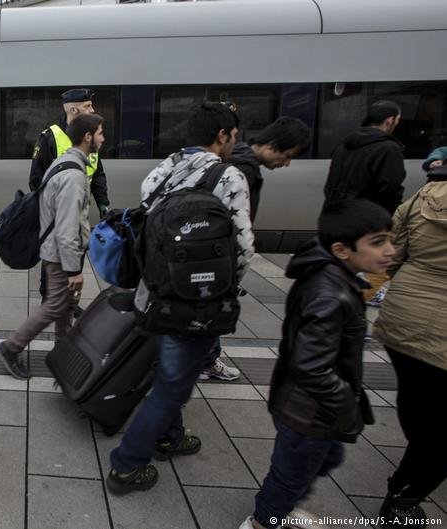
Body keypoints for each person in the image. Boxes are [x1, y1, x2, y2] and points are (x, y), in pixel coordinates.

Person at [106, 102, 253, 494]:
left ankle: (170, 436)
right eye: (234, 136)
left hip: (152, 294)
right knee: (173, 384)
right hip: (196, 304)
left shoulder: (162, 170)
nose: (234, 143)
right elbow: (243, 246)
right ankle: (127, 465)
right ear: (221, 135)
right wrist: (222, 294)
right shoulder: (229, 176)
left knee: (169, 370)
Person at [239, 200, 395, 529]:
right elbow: (312, 366)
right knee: (293, 472)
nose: (390, 250)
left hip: (306, 405)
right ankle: (264, 521)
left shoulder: (332, 277)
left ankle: (283, 506)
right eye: (378, 242)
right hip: (310, 411)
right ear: (341, 249)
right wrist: (344, 403)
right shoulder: (330, 293)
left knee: (321, 459)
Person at [200, 117, 312, 382]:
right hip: (219, 256)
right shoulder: (243, 170)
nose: (286, 163)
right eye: (287, 155)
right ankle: (206, 361)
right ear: (272, 144)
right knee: (212, 309)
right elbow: (237, 228)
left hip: (209, 254)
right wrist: (235, 272)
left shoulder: (234, 160)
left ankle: (204, 359)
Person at [0, 113, 105, 379]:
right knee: (56, 305)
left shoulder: (66, 162)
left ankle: (62, 351)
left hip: (58, 250)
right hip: (59, 254)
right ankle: (11, 347)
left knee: (64, 305)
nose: (104, 138)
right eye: (101, 133)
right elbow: (67, 227)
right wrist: (73, 270)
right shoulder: (74, 176)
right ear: (88, 137)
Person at [371, 180, 447, 526]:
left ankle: (416, 460)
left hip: (405, 314)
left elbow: (391, 252)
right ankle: (404, 498)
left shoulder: (426, 194)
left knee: (419, 403)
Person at [323, 100, 406, 306]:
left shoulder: (345, 144)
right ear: (390, 121)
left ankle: (336, 307)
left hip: (337, 215)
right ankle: (350, 308)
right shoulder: (388, 148)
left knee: (338, 269)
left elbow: (331, 183)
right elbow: (391, 188)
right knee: (372, 267)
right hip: (369, 221)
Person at [29, 88, 110, 218]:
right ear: (73, 110)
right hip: (56, 212)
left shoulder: (89, 136)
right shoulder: (49, 138)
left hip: (81, 209)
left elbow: (97, 174)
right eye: (87, 106)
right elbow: (36, 180)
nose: (92, 110)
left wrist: (102, 203)